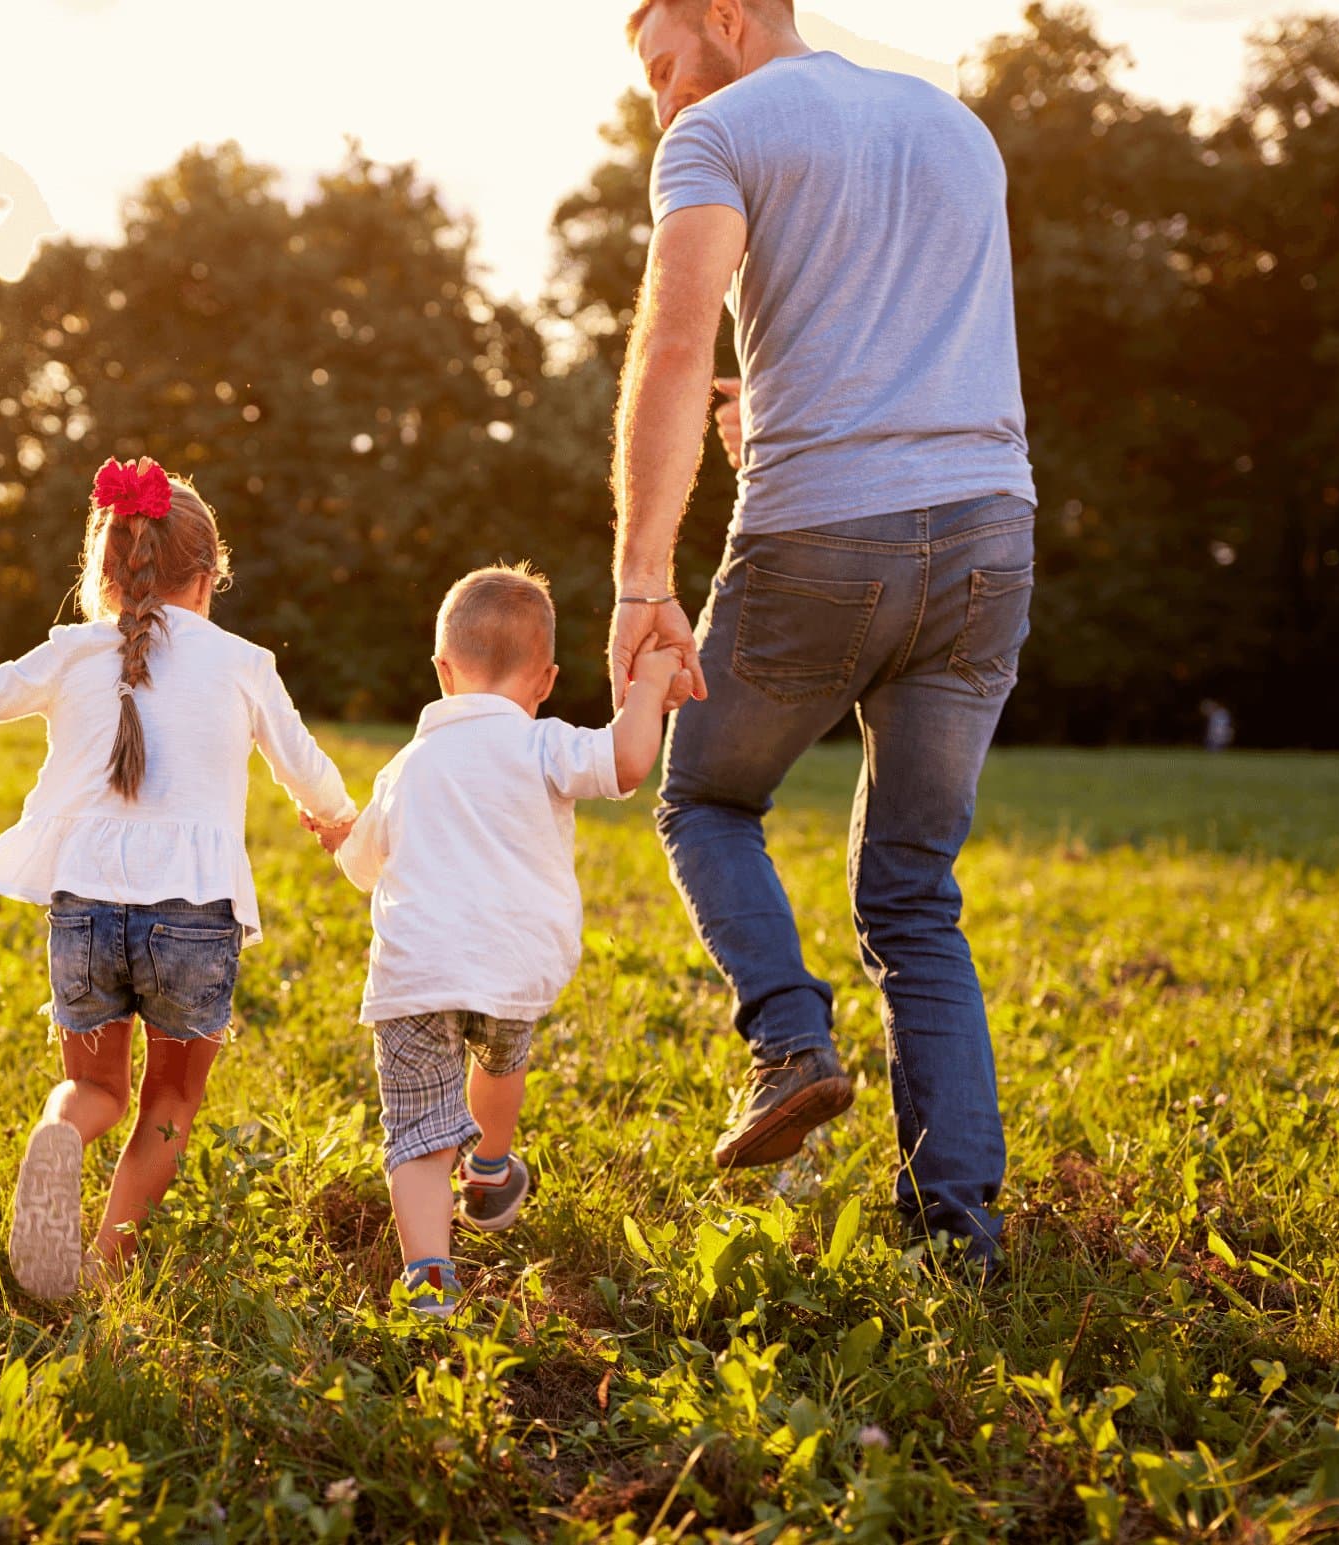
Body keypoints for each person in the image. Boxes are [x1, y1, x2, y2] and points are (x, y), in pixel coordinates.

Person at [612, 0, 1037, 1268]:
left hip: (817, 543)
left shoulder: (716, 134)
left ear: (728, 20)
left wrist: (643, 580)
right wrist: (781, 416)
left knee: (704, 798)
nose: (656, 97)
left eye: (658, 62)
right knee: (915, 892)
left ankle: (789, 1040)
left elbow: (674, 346)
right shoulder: (956, 127)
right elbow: (907, 348)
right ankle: (957, 1235)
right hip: (986, 538)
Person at [0, 458, 357, 1301]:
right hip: (193, 918)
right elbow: (309, 771)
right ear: (206, 579)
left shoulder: (70, 651)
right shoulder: (242, 661)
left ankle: (60, 1133)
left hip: (85, 906)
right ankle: (103, 1257)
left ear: (107, 572)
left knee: (95, 1086)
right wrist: (336, 819)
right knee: (169, 1100)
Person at [323, 565, 691, 1317]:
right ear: (547, 679)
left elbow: (361, 866)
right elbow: (625, 759)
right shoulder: (544, 745)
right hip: (513, 964)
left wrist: (339, 836)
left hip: (417, 975)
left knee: (420, 1134)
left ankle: (428, 1276)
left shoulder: (403, 768)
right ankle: (489, 1168)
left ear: (440, 671)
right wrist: (650, 686)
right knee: (500, 1056)